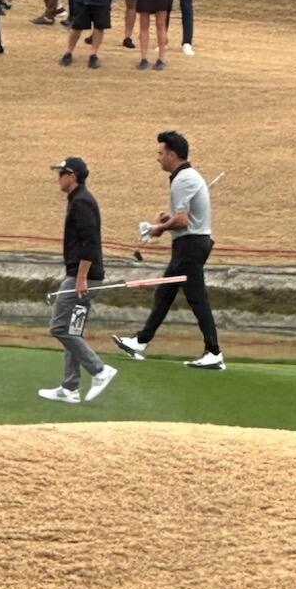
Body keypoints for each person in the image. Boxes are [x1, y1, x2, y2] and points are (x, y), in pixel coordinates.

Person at [113, 131, 225, 370]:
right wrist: (168, 220)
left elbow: (183, 221)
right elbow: (184, 217)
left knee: (197, 299)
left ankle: (214, 352)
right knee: (165, 294)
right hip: (191, 244)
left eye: (160, 153)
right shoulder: (186, 177)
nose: (158, 158)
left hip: (191, 245)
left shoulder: (182, 179)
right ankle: (140, 342)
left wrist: (158, 228)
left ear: (172, 155)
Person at [39, 157, 117, 405]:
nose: (58, 177)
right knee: (73, 331)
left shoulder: (82, 202)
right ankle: (70, 387)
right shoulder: (79, 199)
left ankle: (99, 370)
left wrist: (81, 277)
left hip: (81, 277)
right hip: (85, 276)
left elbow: (90, 243)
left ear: (72, 175)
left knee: (59, 328)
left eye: (61, 173)